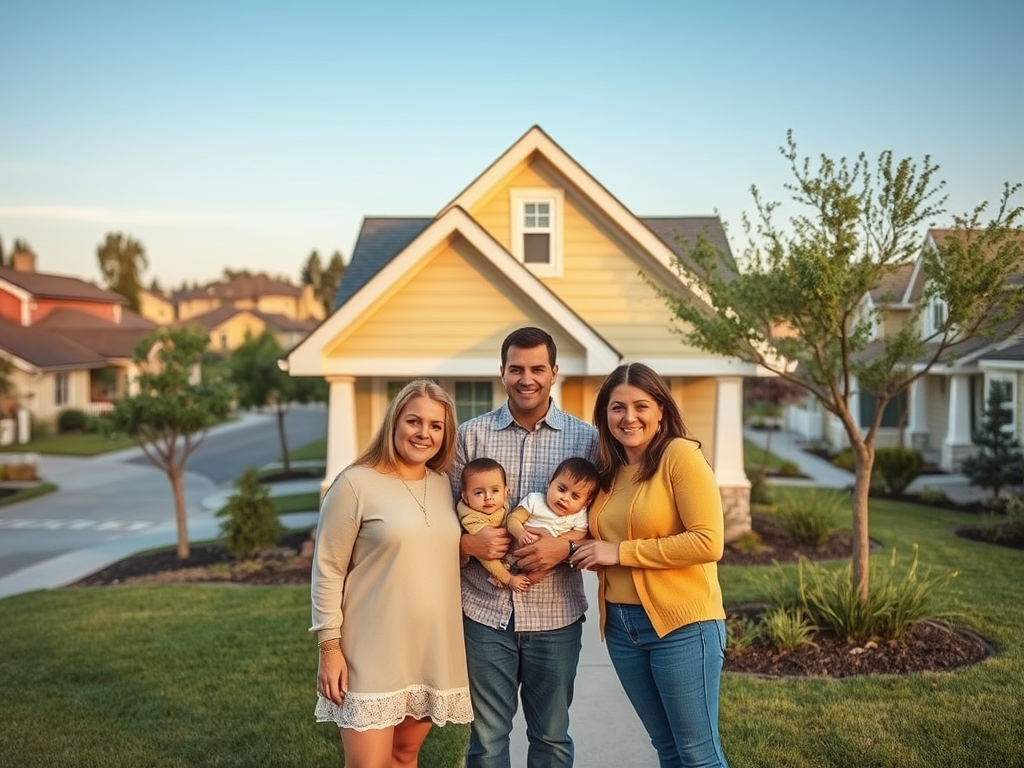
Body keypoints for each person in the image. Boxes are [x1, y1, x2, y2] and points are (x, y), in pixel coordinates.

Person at [570, 362, 731, 768]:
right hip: (623, 629)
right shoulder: (608, 471)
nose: (629, 417)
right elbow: (599, 533)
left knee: (698, 754)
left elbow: (708, 542)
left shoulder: (680, 456)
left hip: (682, 624)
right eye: (617, 408)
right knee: (668, 749)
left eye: (641, 406)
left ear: (661, 409)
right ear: (605, 416)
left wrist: (619, 552)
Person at [451, 326, 598, 768]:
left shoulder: (586, 440)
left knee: (551, 738)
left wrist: (565, 548)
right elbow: (438, 517)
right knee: (487, 740)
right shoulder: (470, 437)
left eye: (538, 368)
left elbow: (603, 524)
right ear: (502, 372)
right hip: (483, 614)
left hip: (556, 617)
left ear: (555, 372)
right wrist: (466, 542)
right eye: (516, 368)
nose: (526, 378)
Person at [311, 379, 473, 767]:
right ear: (394, 422)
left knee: (405, 756)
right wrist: (329, 648)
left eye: (436, 426)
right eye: (414, 421)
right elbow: (328, 570)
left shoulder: (442, 485)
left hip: (430, 649)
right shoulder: (354, 484)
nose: (424, 433)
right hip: (370, 650)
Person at [457, 457, 529, 593]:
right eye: (479, 493)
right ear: (465, 497)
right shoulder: (472, 519)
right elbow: (486, 555)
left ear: (506, 492)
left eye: (495, 491)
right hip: (484, 590)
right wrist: (509, 579)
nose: (488, 497)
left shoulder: (504, 507)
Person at [505, 456, 599, 548]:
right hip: (520, 551)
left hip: (553, 559)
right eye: (561, 489)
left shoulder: (580, 514)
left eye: (575, 496)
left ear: (586, 503)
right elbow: (513, 518)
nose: (565, 498)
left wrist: (559, 541)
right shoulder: (535, 500)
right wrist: (520, 533)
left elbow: (580, 532)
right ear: (550, 483)